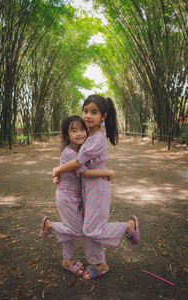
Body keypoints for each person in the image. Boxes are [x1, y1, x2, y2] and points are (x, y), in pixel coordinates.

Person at [52, 95, 140, 279]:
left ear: (103, 116)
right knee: (88, 228)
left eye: (94, 112)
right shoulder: (89, 136)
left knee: (91, 229)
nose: (88, 115)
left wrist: (57, 170)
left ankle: (128, 226)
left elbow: (78, 164)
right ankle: (99, 264)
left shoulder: (96, 139)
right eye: (85, 111)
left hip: (97, 190)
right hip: (87, 189)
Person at [39, 115, 115, 276]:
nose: (80, 133)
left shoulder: (82, 149)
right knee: (76, 230)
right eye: (74, 131)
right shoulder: (69, 153)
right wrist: (107, 172)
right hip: (67, 196)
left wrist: (56, 173)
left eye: (82, 129)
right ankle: (49, 225)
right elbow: (83, 170)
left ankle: (67, 260)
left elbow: (64, 168)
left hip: (78, 196)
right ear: (67, 135)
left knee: (71, 231)